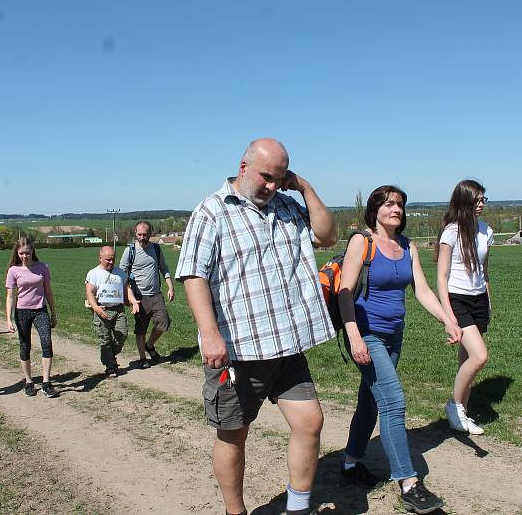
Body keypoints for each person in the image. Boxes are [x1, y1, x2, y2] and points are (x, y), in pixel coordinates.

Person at [176, 138, 337, 515]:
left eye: (280, 179)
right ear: (244, 166)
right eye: (267, 177)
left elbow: (327, 237)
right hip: (238, 350)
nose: (272, 187)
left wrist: (306, 188)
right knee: (233, 434)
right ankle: (236, 511)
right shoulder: (212, 211)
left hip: (286, 343)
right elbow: (194, 275)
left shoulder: (287, 206)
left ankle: (297, 508)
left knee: (311, 422)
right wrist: (210, 334)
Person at [338, 185, 462, 514]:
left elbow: (420, 289)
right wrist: (354, 336)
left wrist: (447, 320)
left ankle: (350, 463)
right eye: (389, 204)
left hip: (395, 335)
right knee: (393, 402)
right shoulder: (361, 242)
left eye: (401, 205)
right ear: (375, 210)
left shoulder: (406, 246)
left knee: (371, 401)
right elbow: (345, 291)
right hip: (367, 334)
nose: (397, 209)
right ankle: (408, 483)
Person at [436, 179, 493, 436]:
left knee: (466, 359)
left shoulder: (486, 231)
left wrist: (489, 303)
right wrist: (448, 315)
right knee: (480, 356)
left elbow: (484, 271)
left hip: (479, 299)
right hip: (457, 299)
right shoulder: (451, 232)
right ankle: (455, 406)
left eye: (483, 199)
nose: (481, 204)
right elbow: (442, 276)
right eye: (476, 199)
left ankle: (462, 415)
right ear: (464, 201)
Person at [5, 238, 59, 398]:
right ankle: (29, 382)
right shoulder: (13, 271)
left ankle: (46, 382)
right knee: (25, 346)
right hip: (22, 312)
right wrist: (8, 318)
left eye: (27, 252)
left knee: (46, 343)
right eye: (21, 253)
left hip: (40, 310)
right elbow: (10, 296)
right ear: (17, 253)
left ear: (32, 251)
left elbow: (48, 290)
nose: (24, 256)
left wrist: (53, 312)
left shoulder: (42, 267)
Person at [119, 221, 174, 369]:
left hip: (156, 294)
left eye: (145, 234)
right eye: (139, 234)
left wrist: (170, 286)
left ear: (150, 234)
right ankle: (142, 358)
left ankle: (150, 345)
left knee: (163, 323)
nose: (142, 237)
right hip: (139, 297)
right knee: (141, 329)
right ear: (135, 234)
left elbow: (163, 267)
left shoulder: (156, 248)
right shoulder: (129, 251)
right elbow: (121, 274)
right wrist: (127, 295)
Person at [85, 246, 140, 376]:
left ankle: (108, 356)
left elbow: (126, 288)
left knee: (122, 334)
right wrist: (96, 308)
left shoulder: (120, 273)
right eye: (108, 259)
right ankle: (110, 365)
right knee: (105, 339)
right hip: (102, 309)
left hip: (118, 310)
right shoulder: (93, 274)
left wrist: (133, 301)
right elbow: (90, 293)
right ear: (100, 258)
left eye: (113, 259)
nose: (111, 262)